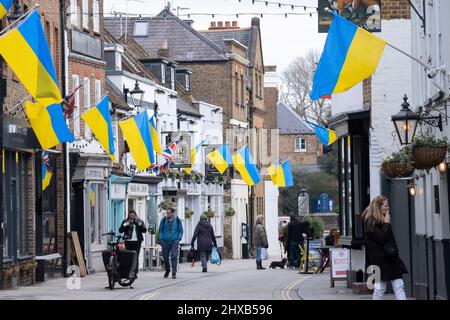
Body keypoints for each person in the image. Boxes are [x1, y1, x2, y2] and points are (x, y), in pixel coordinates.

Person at [362, 195, 408, 300]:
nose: (388, 208)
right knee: (379, 289)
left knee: (399, 285)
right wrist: (387, 223)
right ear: (378, 207)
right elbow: (382, 238)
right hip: (379, 261)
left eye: (388, 206)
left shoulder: (382, 220)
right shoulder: (370, 222)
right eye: (385, 206)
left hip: (391, 258)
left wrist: (386, 223)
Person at [118, 209, 147, 277]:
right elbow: (120, 230)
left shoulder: (139, 221)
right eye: (130, 215)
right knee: (128, 256)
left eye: (133, 215)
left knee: (135, 256)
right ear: (128, 215)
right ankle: (128, 271)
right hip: (128, 241)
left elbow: (144, 230)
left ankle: (135, 272)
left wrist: (139, 223)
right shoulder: (125, 221)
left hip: (137, 241)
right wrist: (125, 225)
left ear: (135, 215)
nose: (132, 217)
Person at [158, 207, 184, 279]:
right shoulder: (163, 220)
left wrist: (178, 239)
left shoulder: (178, 220)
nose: (167, 214)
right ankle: (167, 270)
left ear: (173, 213)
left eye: (169, 213)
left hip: (174, 241)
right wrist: (161, 239)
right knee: (165, 257)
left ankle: (174, 272)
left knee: (174, 256)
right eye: (167, 213)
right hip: (165, 241)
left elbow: (181, 231)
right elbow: (160, 230)